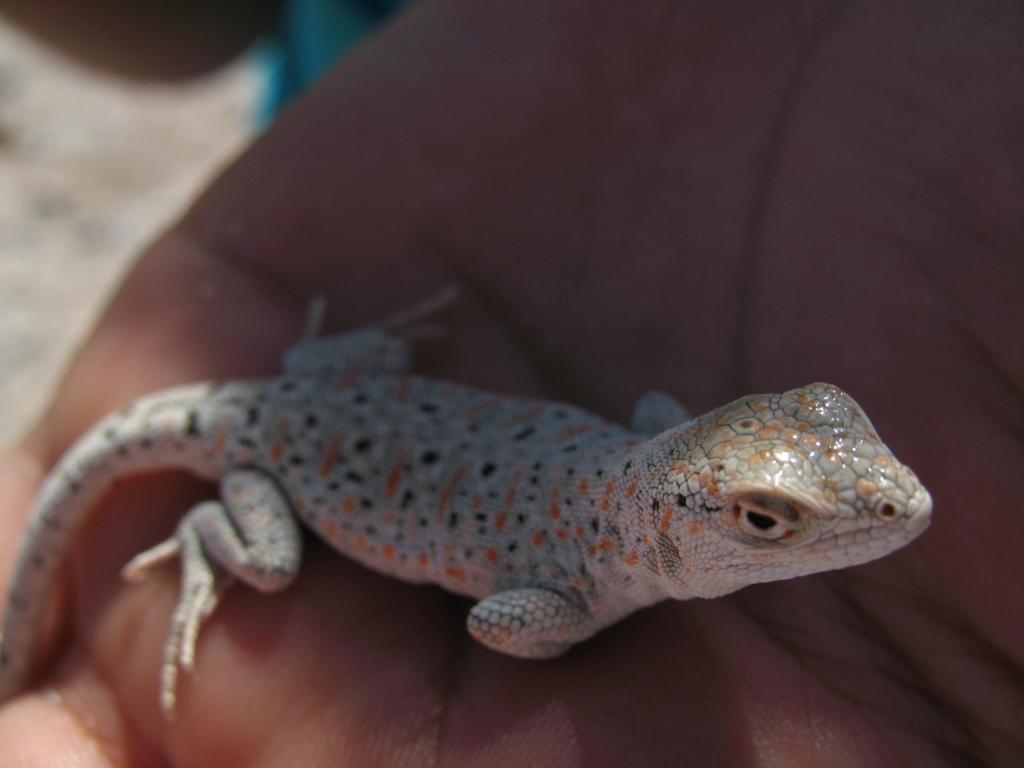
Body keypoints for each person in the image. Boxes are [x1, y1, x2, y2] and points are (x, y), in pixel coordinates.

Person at [1, 2, 1021, 764]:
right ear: (671, 527)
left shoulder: (658, 452)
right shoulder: (574, 593)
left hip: (333, 386)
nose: (896, 498)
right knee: (265, 565)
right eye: (767, 519)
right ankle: (204, 532)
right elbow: (495, 624)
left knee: (381, 369)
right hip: (267, 456)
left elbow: (667, 428)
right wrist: (567, 627)